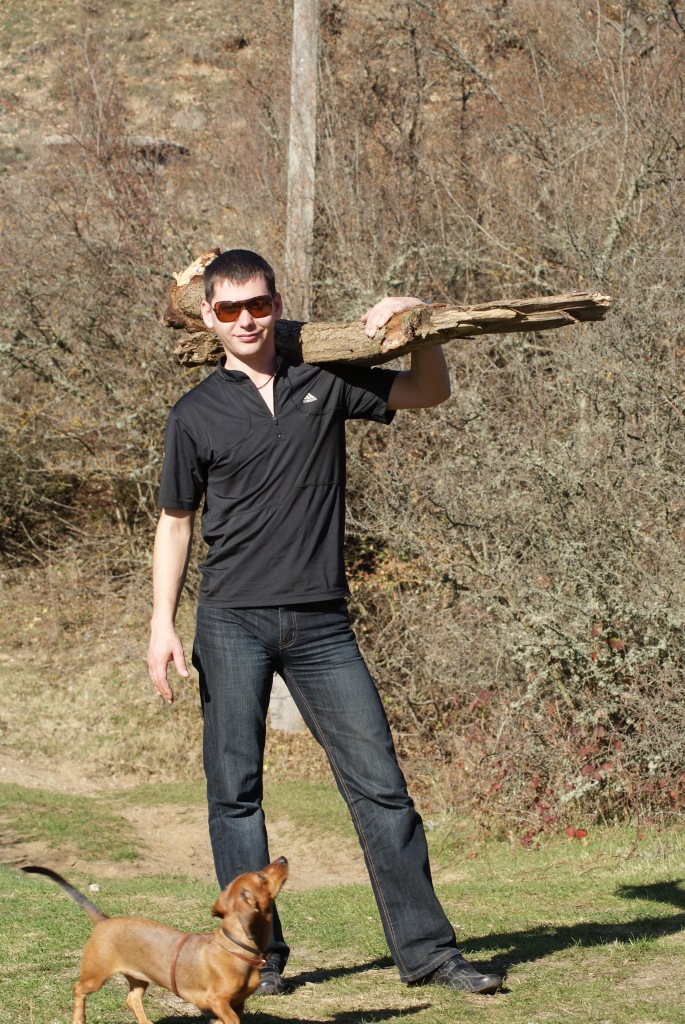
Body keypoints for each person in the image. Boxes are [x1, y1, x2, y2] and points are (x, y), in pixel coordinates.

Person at [147, 249, 502, 996]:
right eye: (228, 309)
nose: (246, 320)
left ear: (277, 305)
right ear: (207, 317)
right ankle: (258, 962)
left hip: (321, 626)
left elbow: (428, 391)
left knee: (382, 789)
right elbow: (175, 522)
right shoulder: (194, 414)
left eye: (258, 305)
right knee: (235, 794)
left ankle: (430, 954)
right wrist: (161, 623)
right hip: (230, 622)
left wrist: (419, 324)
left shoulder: (325, 378)